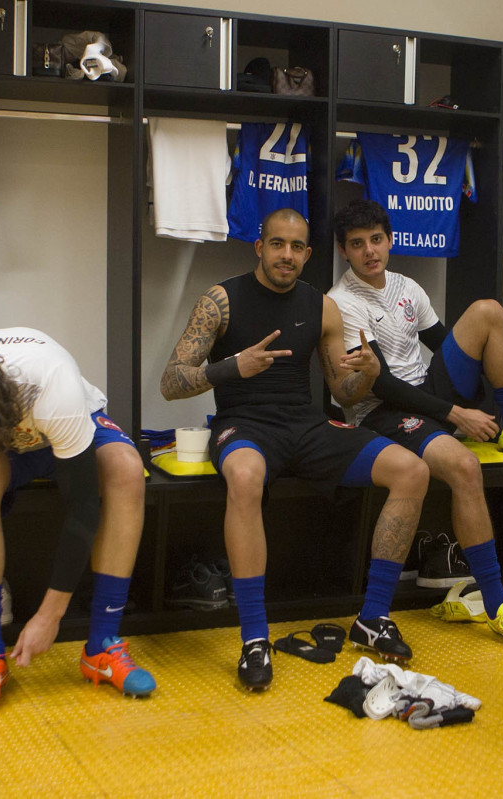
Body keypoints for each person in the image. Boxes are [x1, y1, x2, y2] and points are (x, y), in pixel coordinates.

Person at [160, 208, 430, 692]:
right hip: (244, 424)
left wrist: (367, 374)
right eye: (278, 244)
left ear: (308, 254)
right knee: (244, 477)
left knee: (411, 470)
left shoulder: (322, 306)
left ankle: (372, 617)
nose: (287, 255)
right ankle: (254, 638)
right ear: (259, 247)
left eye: (297, 247)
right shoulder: (221, 300)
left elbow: (343, 392)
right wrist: (231, 368)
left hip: (306, 426)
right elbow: (171, 382)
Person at [328, 198, 503, 648]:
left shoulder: (408, 286)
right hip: (386, 412)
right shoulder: (341, 303)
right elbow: (383, 384)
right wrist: (455, 414)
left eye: (377, 239)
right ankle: (498, 605)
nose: (370, 251)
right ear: (344, 251)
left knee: (488, 311)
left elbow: (443, 342)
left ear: (390, 240)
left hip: (427, 394)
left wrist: (502, 373)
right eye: (357, 244)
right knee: (466, 467)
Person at [0, 328, 156, 713]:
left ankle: (102, 646)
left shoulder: (52, 385)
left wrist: (49, 615)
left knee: (125, 469)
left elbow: (83, 506)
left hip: (55, 421)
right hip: (1, 443)